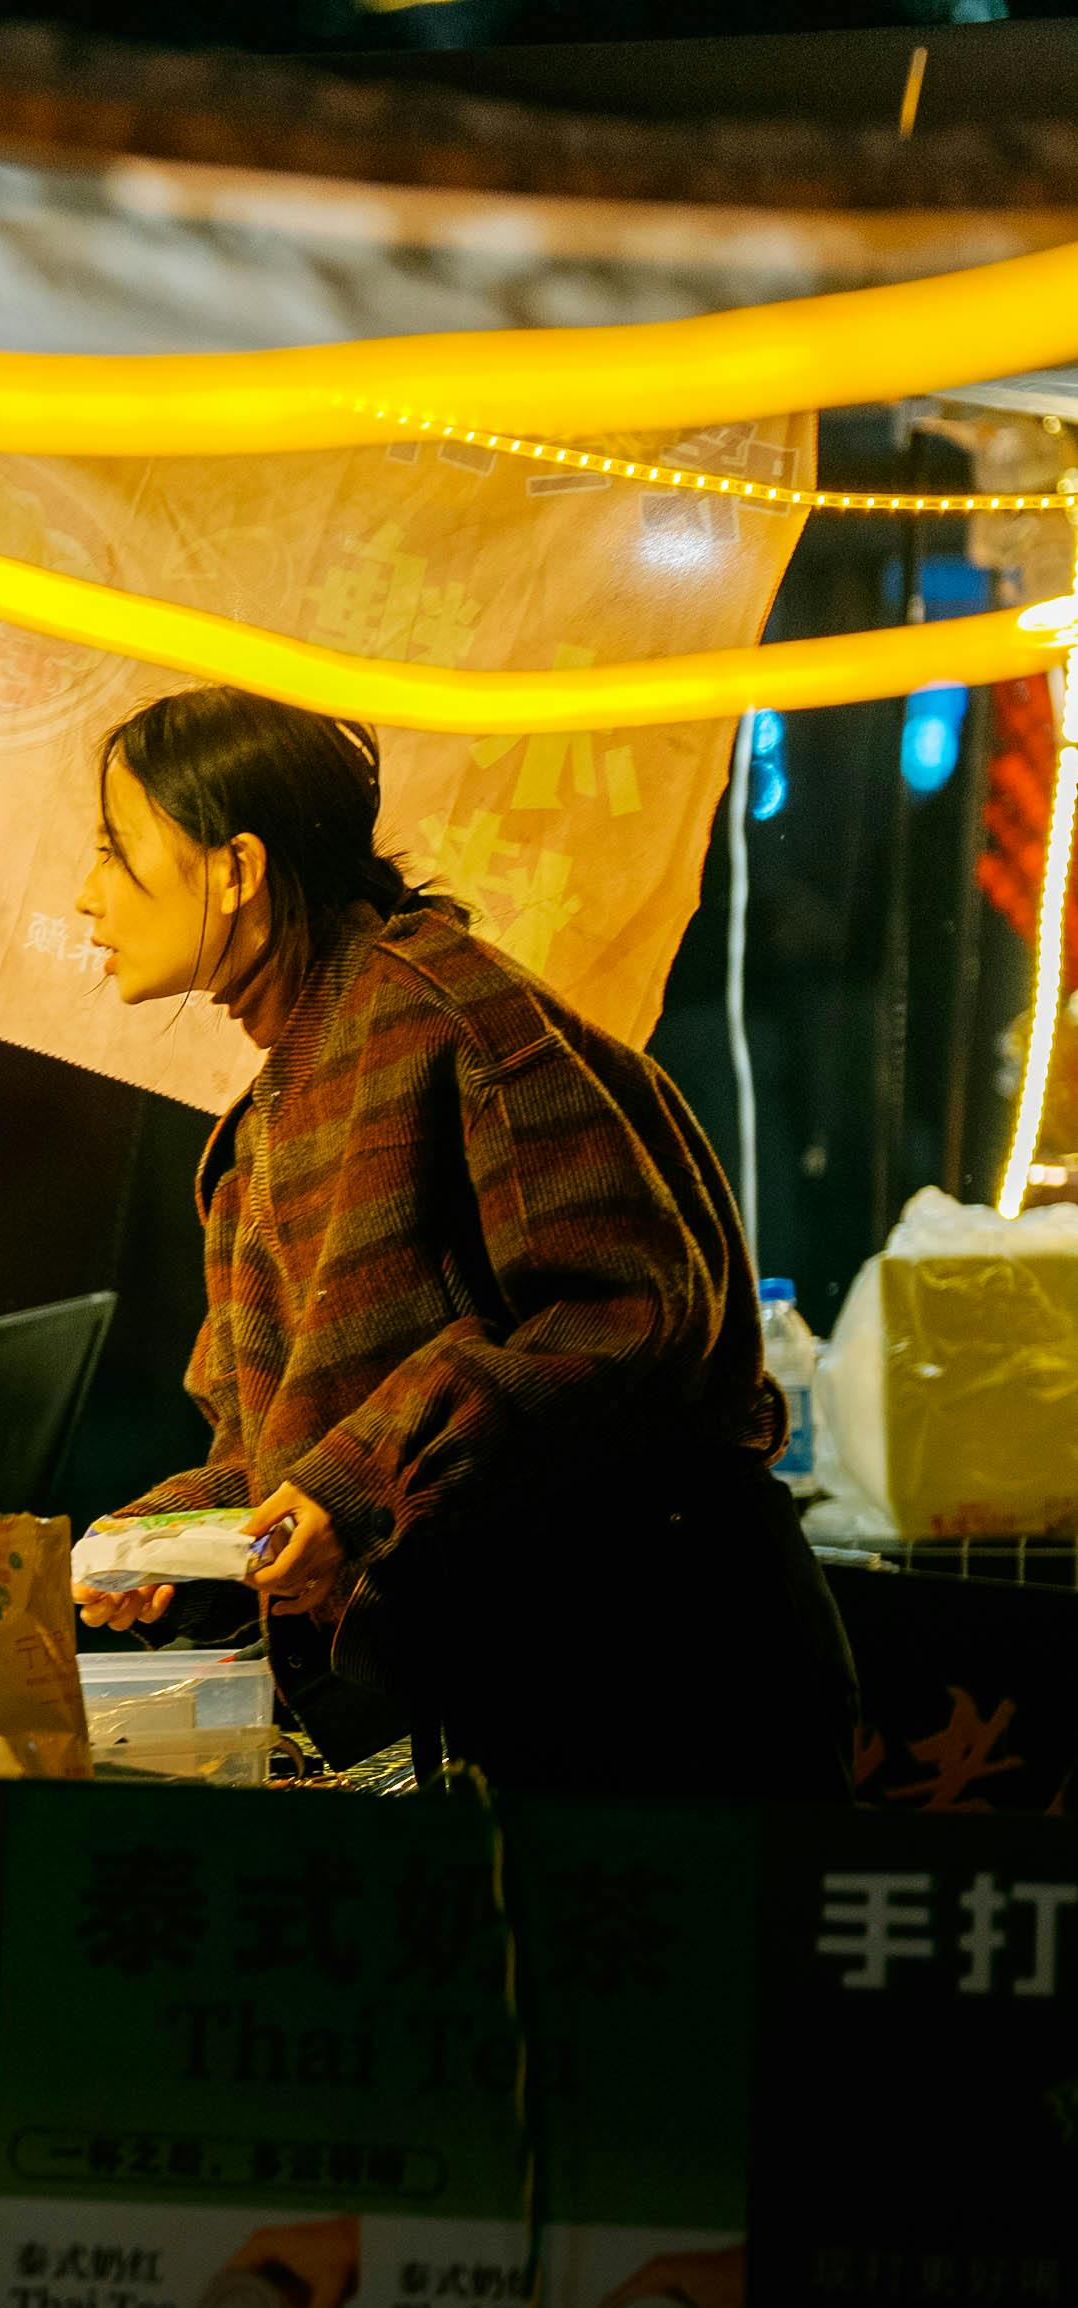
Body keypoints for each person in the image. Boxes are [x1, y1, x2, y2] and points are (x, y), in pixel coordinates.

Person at [66, 685, 851, 1797]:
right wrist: (158, 1540)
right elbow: (288, 1456)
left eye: (116, 850)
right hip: (522, 1677)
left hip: (660, 1668)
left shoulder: (443, 1018)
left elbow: (622, 1308)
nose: (87, 895)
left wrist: (352, 1484)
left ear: (233, 869)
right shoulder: (280, 1100)